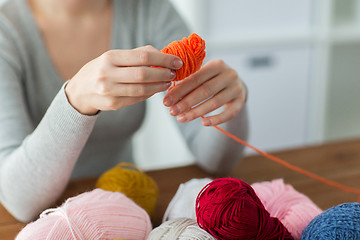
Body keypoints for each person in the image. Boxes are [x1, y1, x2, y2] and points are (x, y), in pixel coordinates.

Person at [0, 0, 248, 222]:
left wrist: (227, 104)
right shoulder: (7, 32)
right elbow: (20, 200)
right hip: (47, 222)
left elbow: (217, 161)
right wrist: (74, 100)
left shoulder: (149, 10)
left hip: (128, 207)